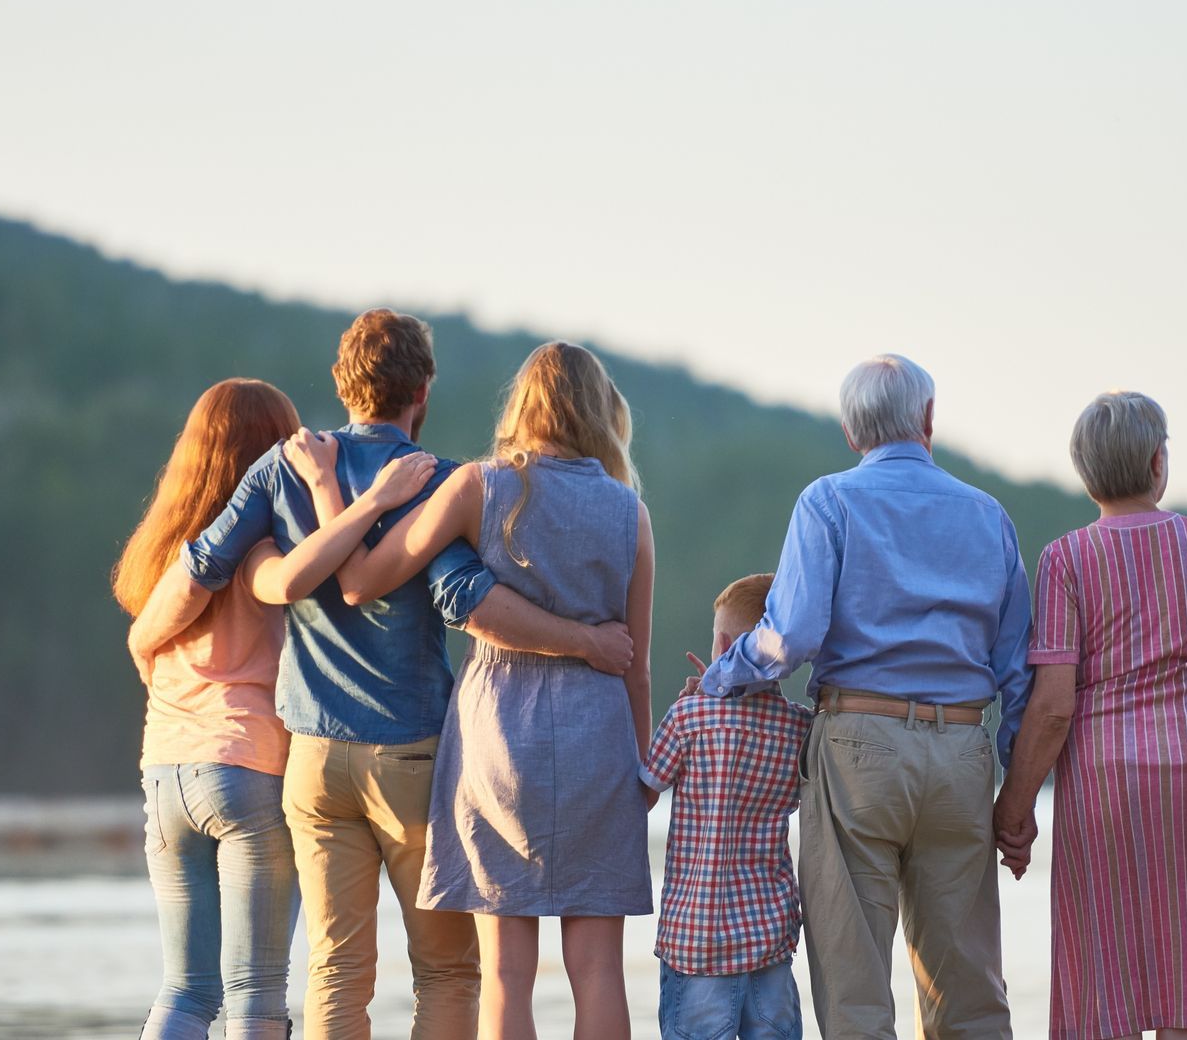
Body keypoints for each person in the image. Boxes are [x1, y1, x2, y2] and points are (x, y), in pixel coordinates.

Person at [128, 311, 635, 1040]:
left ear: (342, 384)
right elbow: (467, 598)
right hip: (411, 753)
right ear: (422, 391)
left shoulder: (286, 468)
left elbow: (205, 563)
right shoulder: (440, 482)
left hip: (310, 757)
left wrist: (145, 637)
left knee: (334, 970)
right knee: (449, 971)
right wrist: (584, 640)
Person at [289, 340, 654, 1040]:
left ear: (522, 405)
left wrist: (340, 492)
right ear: (600, 412)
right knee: (599, 970)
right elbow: (633, 661)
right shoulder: (628, 512)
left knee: (506, 976)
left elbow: (362, 580)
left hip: (498, 738)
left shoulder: (478, 487)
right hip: (598, 734)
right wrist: (642, 763)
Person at [692, 353, 1032, 1039]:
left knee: (855, 993)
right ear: (929, 421)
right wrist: (1015, 797)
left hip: (858, 747)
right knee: (969, 992)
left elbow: (790, 637)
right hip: (962, 751)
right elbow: (1018, 670)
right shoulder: (988, 515)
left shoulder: (828, 501)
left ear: (852, 433)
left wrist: (718, 678)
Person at [117, 378, 442, 1039]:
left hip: (165, 775)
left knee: (184, 989)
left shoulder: (165, 551)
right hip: (248, 769)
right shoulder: (258, 549)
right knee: (256, 994)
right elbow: (296, 582)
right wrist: (375, 500)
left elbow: (141, 636)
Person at [991, 391, 1187, 1040]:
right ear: (1157, 463)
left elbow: (1056, 705)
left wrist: (1015, 807)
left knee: (1104, 996)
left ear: (1086, 471)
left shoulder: (1067, 559)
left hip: (1108, 789)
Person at [641, 573, 813, 1040]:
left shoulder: (689, 717)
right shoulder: (801, 729)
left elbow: (646, 790)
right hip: (770, 937)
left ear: (720, 644)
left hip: (697, 940)